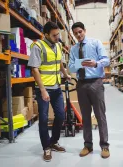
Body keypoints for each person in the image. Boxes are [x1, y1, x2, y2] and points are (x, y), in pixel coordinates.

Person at [28, 22, 71, 162]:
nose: (57, 37)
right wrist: (42, 90)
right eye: (54, 35)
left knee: (60, 115)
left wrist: (65, 74)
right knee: (44, 119)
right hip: (43, 89)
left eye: (58, 34)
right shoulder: (38, 46)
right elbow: (35, 69)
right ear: (46, 34)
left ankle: (53, 141)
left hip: (56, 87)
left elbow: (59, 62)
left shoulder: (58, 45)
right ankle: (46, 147)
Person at [68, 22, 110, 159]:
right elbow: (71, 67)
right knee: (85, 117)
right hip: (81, 84)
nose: (78, 35)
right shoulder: (73, 49)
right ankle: (88, 145)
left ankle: (104, 146)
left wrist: (96, 63)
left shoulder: (95, 43)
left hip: (95, 82)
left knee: (100, 115)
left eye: (80, 32)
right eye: (75, 33)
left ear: (84, 31)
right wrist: (77, 65)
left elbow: (106, 60)